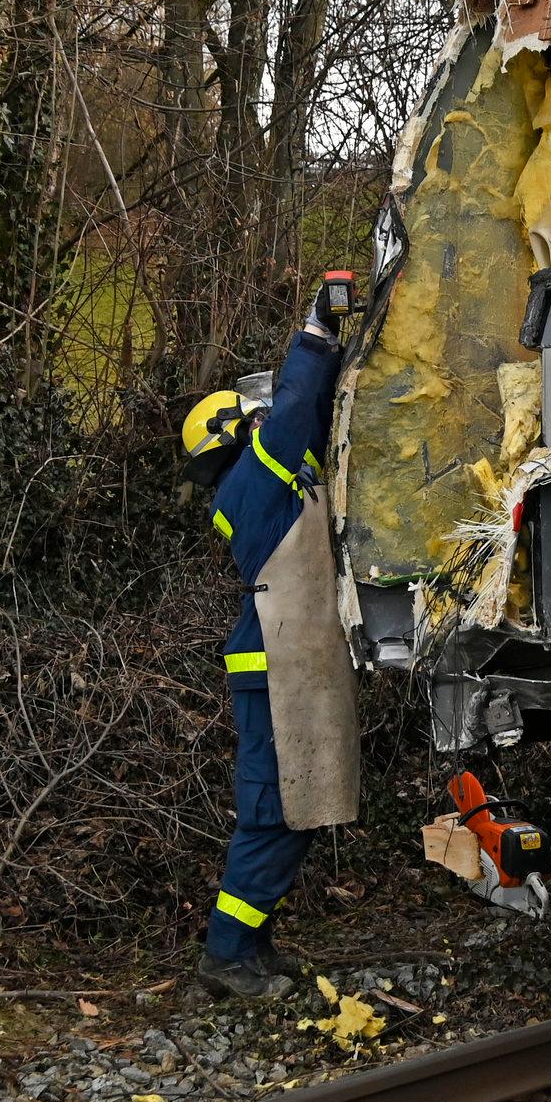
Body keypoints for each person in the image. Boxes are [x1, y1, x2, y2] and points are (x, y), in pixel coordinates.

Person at [180, 277, 354, 996]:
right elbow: (289, 419)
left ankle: (251, 945)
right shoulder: (251, 482)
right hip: (274, 665)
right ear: (234, 438)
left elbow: (304, 425)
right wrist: (314, 334)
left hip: (289, 660)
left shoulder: (273, 482)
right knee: (275, 813)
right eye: (247, 419)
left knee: (299, 810)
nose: (260, 423)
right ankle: (225, 957)